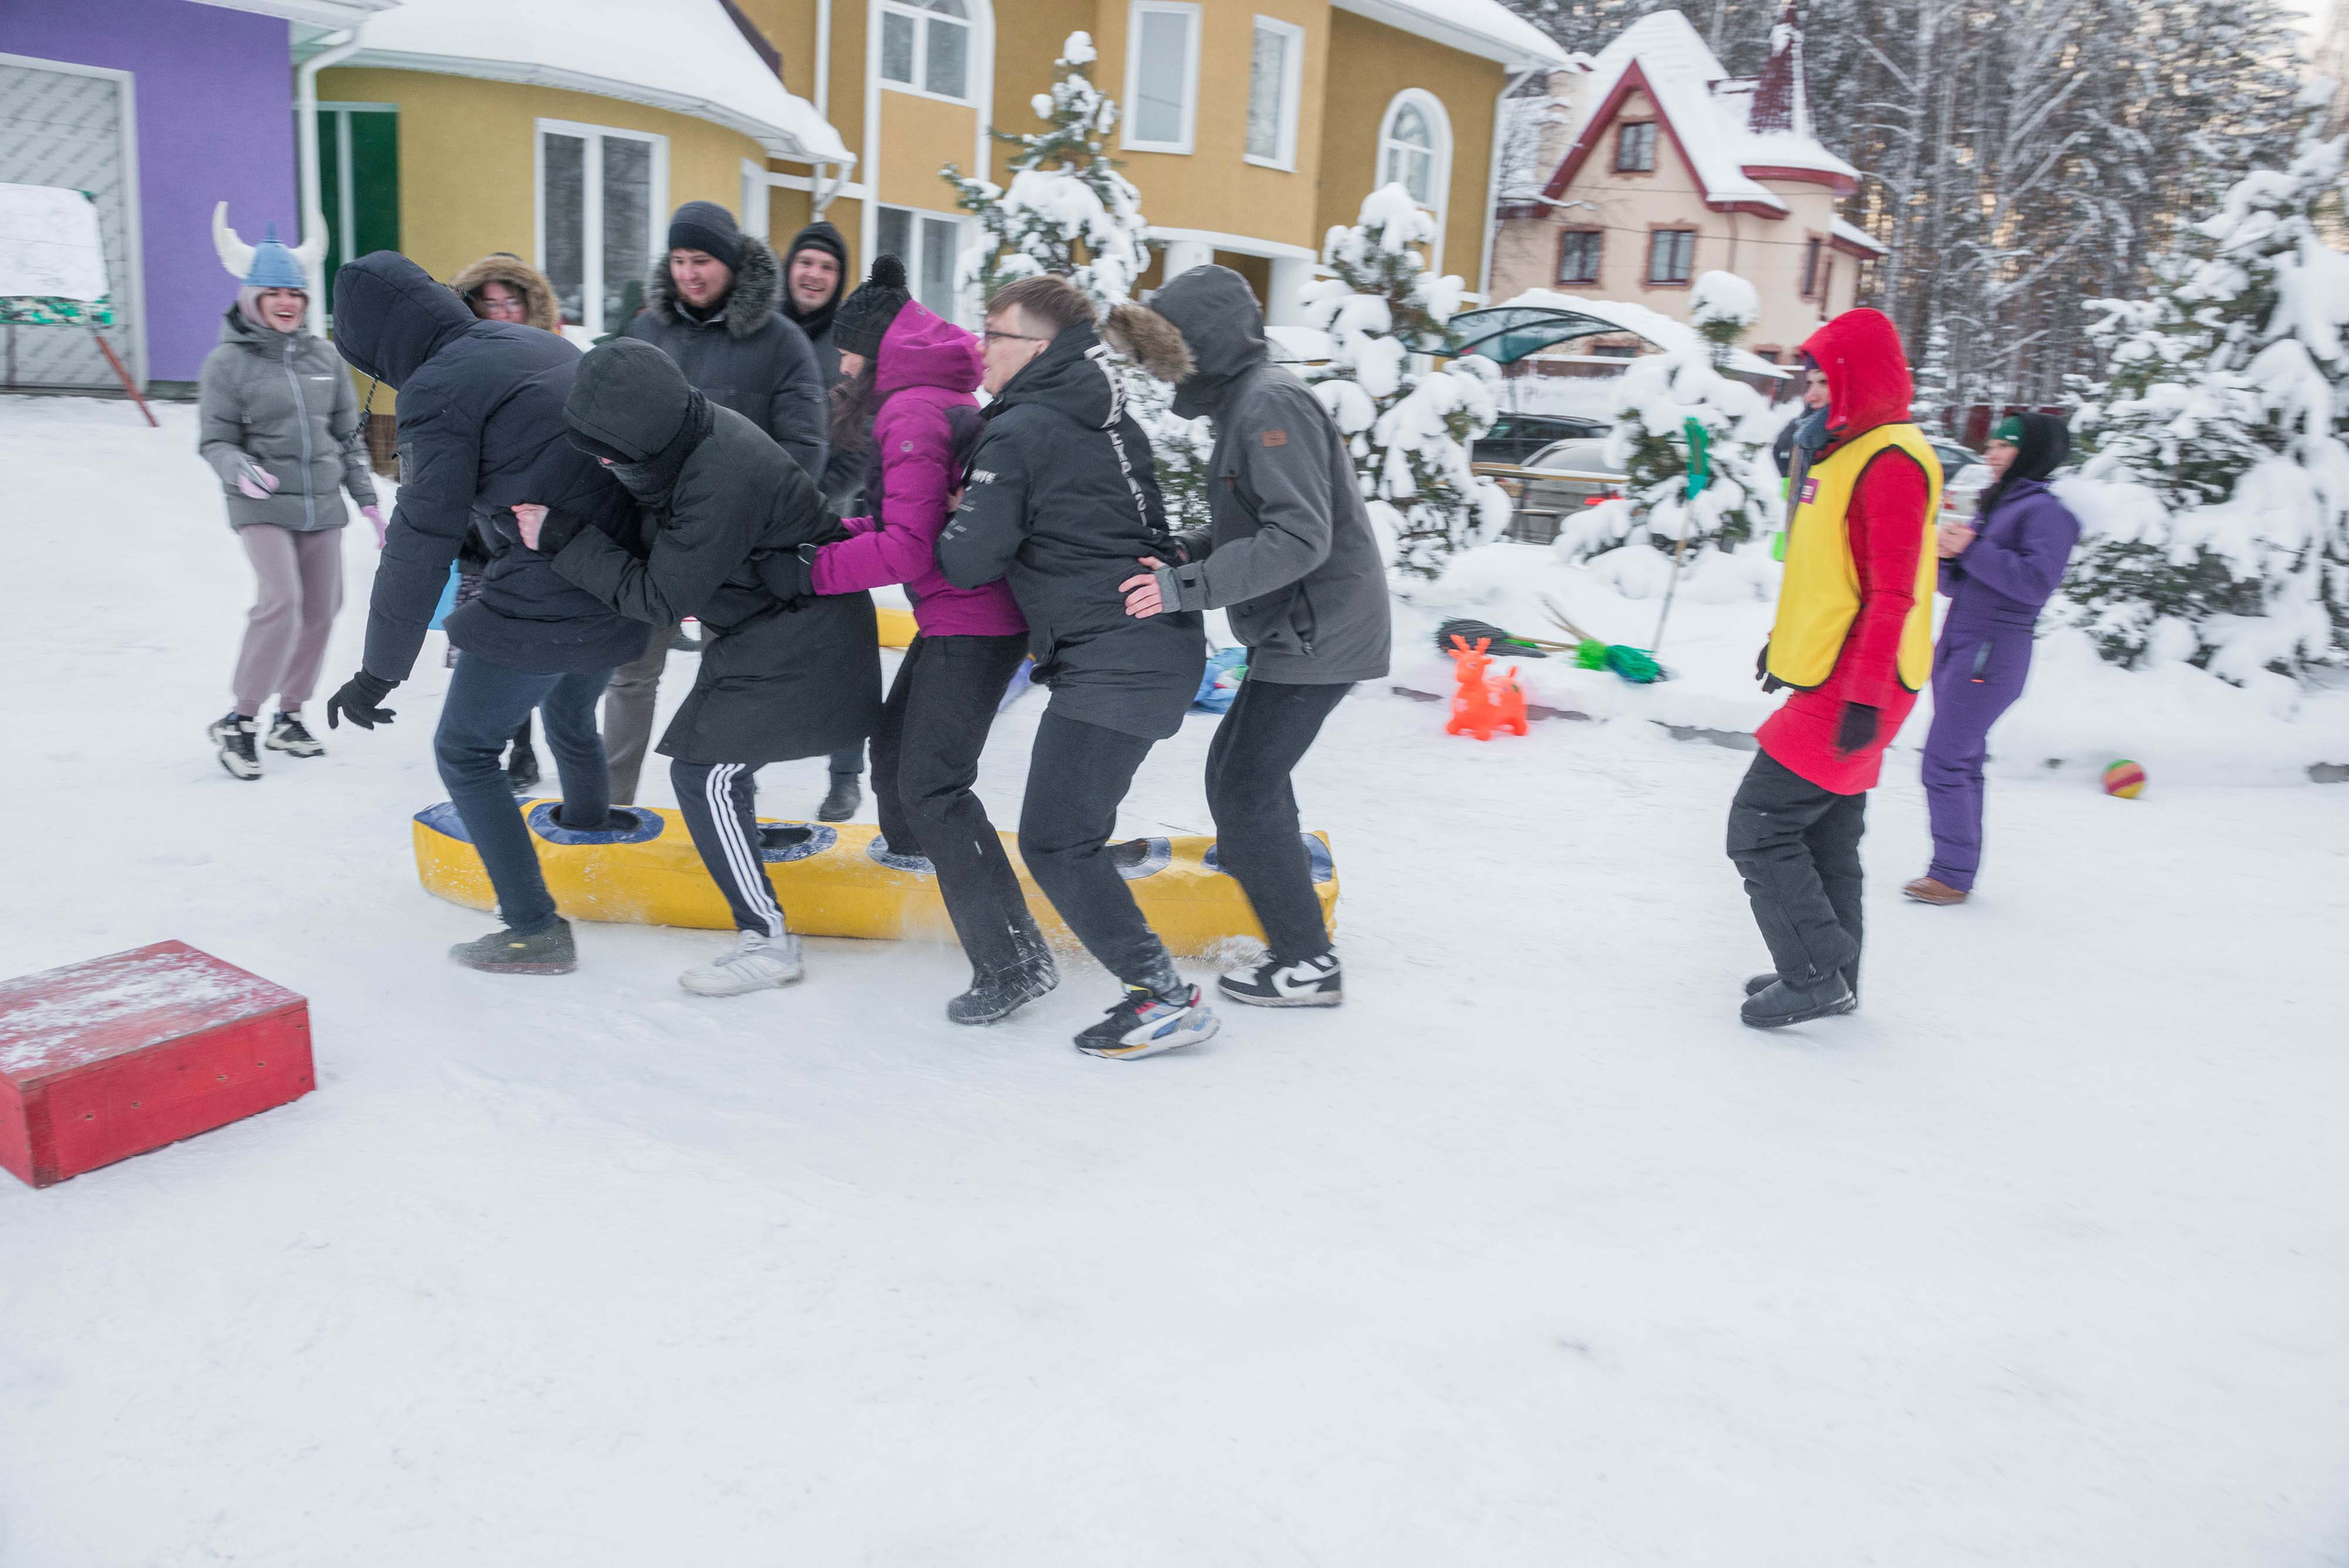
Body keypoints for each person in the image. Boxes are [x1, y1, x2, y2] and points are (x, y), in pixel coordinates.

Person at [517, 337, 881, 995]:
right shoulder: (683, 438)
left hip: (804, 637)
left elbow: (662, 596)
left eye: (608, 449)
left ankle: (767, 940)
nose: (601, 459)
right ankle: (761, 920)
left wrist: (563, 538)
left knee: (706, 771)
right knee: (710, 768)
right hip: (765, 625)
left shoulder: (720, 472)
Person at [321, 250, 642, 976]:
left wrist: (378, 672)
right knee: (569, 716)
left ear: (379, 344)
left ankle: (535, 928)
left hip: (555, 587)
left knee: (465, 749)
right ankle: (590, 846)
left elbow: (418, 540)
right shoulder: (536, 341)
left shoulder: (436, 389)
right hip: (625, 574)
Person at [937, 273, 1214, 1060]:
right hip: (1145, 645)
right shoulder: (1101, 411)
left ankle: (1164, 997)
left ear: (1039, 348)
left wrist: (952, 511)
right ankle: (1157, 990)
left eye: (994, 334)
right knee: (1069, 834)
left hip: (1118, 660)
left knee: (1059, 841)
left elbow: (967, 562)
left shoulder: (1021, 430)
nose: (980, 348)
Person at [1102, 264, 1392, 1008]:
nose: (1158, 368)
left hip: (1318, 630)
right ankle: (1268, 873)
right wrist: (1193, 550)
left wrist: (1182, 588)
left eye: (1168, 348)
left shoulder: (1270, 404)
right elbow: (1257, 520)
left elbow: (1299, 537)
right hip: (1303, 627)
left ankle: (1307, 962)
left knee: (1245, 781)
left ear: (1205, 342)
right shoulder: (1247, 401)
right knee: (1241, 774)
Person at [762, 256, 1043, 1023]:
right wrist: (823, 536)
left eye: (850, 351)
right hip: (960, 611)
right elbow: (902, 525)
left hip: (975, 619)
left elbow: (908, 548)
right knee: (895, 753)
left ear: (878, 346)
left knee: (934, 784)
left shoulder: (912, 408)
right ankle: (929, 872)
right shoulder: (933, 391)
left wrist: (810, 572)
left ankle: (1013, 957)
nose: (842, 364)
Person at [1730, 307, 1940, 1029]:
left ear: (1859, 378)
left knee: (1758, 824)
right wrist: (1784, 644)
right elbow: (1829, 576)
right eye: (1810, 378)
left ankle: (1814, 970)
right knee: (1826, 833)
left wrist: (1864, 698)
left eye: (1826, 378)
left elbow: (1893, 594)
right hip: (1836, 674)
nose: (1812, 392)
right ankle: (1834, 970)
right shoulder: (1847, 451)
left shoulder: (1890, 462)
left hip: (1860, 685)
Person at [601, 201, 831, 807]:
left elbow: (803, 448)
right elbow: (610, 421)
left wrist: (752, 525)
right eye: (678, 259)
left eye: (700, 260)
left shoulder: (780, 341)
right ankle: (611, 801)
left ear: (730, 261)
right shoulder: (648, 329)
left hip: (735, 546)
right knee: (631, 671)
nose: (688, 274)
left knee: (729, 682)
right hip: (652, 539)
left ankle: (723, 806)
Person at [198, 221, 381, 780]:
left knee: (323, 609)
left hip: (322, 504)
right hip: (261, 500)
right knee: (281, 601)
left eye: (295, 293)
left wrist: (369, 502)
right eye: (274, 293)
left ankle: (289, 714)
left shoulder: (324, 358)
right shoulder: (226, 364)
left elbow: (349, 437)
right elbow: (215, 439)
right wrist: (238, 468)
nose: (286, 302)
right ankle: (240, 718)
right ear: (252, 298)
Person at [1908, 414, 2082, 905]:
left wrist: (1973, 546)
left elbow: (2034, 583)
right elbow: (1961, 584)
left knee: (1943, 760)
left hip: (1993, 651)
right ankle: (1957, 871)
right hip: (1962, 643)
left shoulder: (2048, 512)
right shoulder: (2000, 502)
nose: (1993, 451)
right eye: (1993, 443)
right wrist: (1947, 556)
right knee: (1962, 760)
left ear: (2034, 452)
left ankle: (1950, 873)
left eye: (2007, 444)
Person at [449, 251, 571, 790]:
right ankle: (512, 746)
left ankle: (544, 741)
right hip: (481, 535)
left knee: (544, 647)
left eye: (511, 303)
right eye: (488, 305)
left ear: (531, 307)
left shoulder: (559, 359)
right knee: (495, 645)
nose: (500, 314)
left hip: (544, 527)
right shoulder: (456, 369)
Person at [776, 217, 875, 821]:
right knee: (748, 647)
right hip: (753, 518)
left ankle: (845, 776)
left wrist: (816, 495)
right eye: (806, 261)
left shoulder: (852, 348)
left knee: (840, 654)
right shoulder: (758, 330)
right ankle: (737, 764)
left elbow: (861, 446)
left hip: (827, 525)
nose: (814, 273)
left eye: (828, 266)